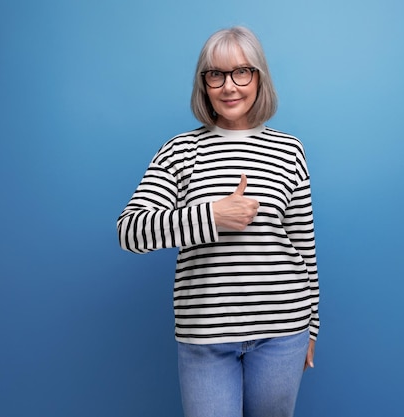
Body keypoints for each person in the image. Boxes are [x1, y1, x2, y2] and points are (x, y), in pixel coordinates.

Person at [117, 26, 320, 417]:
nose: (229, 86)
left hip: (282, 330)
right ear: (204, 83)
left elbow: (304, 248)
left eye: (242, 72)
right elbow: (131, 231)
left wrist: (311, 327)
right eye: (216, 74)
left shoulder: (289, 150)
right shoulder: (180, 151)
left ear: (259, 77)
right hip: (205, 337)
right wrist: (212, 216)